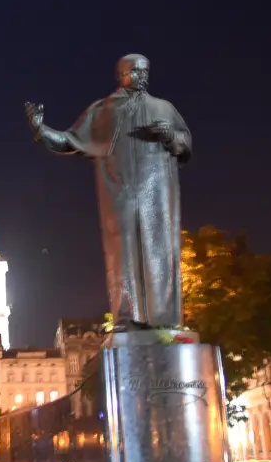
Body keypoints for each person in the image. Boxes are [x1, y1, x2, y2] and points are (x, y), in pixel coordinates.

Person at [25, 54, 192, 331]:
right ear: (121, 75)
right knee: (122, 253)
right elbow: (69, 141)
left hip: (158, 192)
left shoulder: (163, 108)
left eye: (145, 71)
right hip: (121, 193)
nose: (142, 76)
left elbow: (185, 144)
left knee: (160, 251)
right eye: (136, 71)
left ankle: (165, 320)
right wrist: (41, 130)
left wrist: (170, 137)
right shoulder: (103, 111)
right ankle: (128, 318)